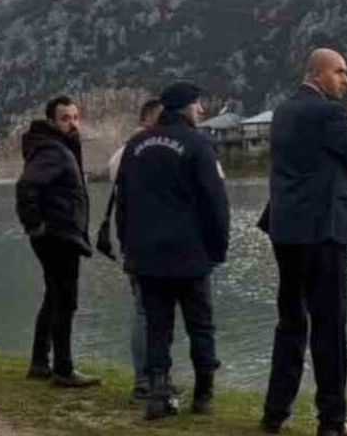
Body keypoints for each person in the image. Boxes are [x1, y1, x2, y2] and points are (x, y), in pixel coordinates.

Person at [260, 48, 347, 436]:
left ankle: (275, 411)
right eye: (340, 72)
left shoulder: (282, 112)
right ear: (318, 73)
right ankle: (331, 419)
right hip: (323, 231)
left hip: (285, 229)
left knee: (290, 321)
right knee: (329, 326)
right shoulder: (329, 113)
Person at [116, 82, 230, 420]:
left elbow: (124, 202)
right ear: (185, 107)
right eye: (198, 104)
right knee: (200, 326)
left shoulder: (135, 145)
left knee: (157, 327)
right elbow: (215, 203)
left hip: (146, 255)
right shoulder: (198, 144)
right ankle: (204, 394)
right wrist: (218, 249)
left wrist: (128, 247)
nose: (202, 111)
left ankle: (158, 394)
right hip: (190, 254)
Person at [15, 95, 101, 388]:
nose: (72, 123)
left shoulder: (57, 147)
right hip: (57, 235)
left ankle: (40, 363)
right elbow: (27, 186)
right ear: (51, 122)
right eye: (65, 118)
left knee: (54, 296)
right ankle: (63, 369)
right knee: (65, 300)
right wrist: (35, 225)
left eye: (76, 117)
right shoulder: (52, 150)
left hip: (61, 233)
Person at [98, 97, 165, 400]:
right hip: (153, 243)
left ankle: (146, 378)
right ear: (149, 119)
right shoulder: (144, 150)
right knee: (147, 312)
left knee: (143, 311)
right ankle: (147, 378)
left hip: (133, 242)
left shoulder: (121, 154)